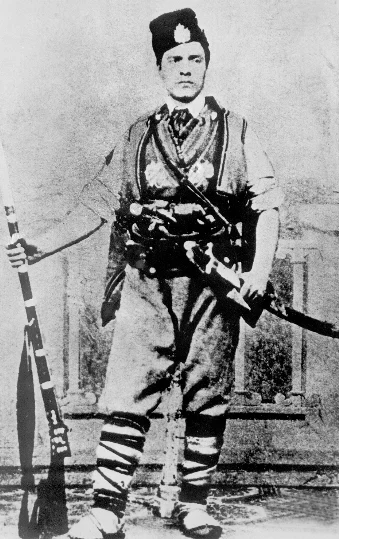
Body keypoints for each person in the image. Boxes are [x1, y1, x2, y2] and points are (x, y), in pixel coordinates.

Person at [6, 8, 284, 539]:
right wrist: (38, 246)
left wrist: (259, 270)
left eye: (195, 59)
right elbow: (97, 203)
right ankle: (107, 512)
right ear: (160, 68)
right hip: (147, 282)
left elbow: (267, 205)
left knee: (207, 393)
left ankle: (193, 506)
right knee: (128, 393)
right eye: (175, 60)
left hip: (212, 286)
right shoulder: (138, 134)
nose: (186, 69)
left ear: (207, 64)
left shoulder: (236, 131)